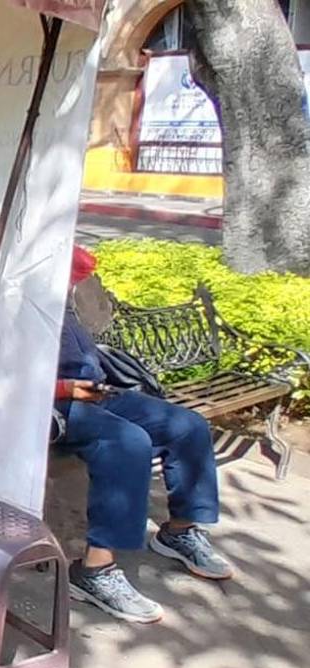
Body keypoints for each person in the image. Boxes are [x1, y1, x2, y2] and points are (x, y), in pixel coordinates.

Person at [56, 245, 231, 624]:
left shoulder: (65, 304)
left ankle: (179, 532)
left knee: (188, 426)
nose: (72, 284)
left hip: (98, 394)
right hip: (53, 406)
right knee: (127, 443)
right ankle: (95, 570)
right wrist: (67, 389)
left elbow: (87, 277)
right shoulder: (13, 303)